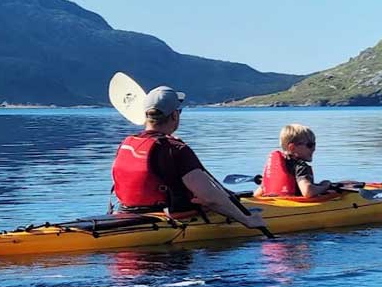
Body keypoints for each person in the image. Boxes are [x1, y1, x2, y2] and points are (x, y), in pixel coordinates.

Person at [110, 86, 266, 228]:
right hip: (168, 218)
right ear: (174, 115)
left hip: (125, 213)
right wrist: (247, 220)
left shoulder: (127, 143)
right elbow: (210, 196)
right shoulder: (176, 148)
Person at [257, 124, 340, 198]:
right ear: (292, 148)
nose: (314, 148)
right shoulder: (301, 166)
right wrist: (324, 186)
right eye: (310, 145)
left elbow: (257, 194)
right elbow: (307, 192)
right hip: (292, 207)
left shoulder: (275, 166)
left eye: (314, 144)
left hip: (275, 204)